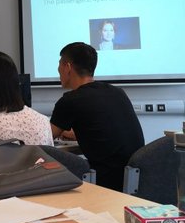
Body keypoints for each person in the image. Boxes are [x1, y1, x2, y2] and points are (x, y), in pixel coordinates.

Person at [50, 42, 144, 191]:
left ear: (67, 67)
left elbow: (46, 136)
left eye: (59, 64)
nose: (58, 70)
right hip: (134, 179)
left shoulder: (70, 100)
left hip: (106, 182)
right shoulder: (117, 92)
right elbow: (106, 129)